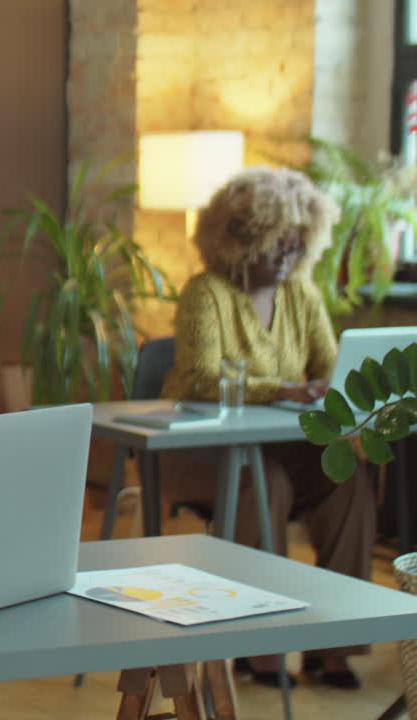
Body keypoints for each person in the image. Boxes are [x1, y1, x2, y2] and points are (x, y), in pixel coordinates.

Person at [159, 165, 374, 690]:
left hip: (274, 447)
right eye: (278, 246)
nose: (287, 259)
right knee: (268, 481)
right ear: (239, 240)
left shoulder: (301, 294)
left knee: (350, 484)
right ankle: (258, 645)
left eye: (297, 248)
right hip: (200, 455)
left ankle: (335, 644)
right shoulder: (205, 293)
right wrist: (282, 389)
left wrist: (328, 385)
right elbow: (201, 378)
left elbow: (329, 365)